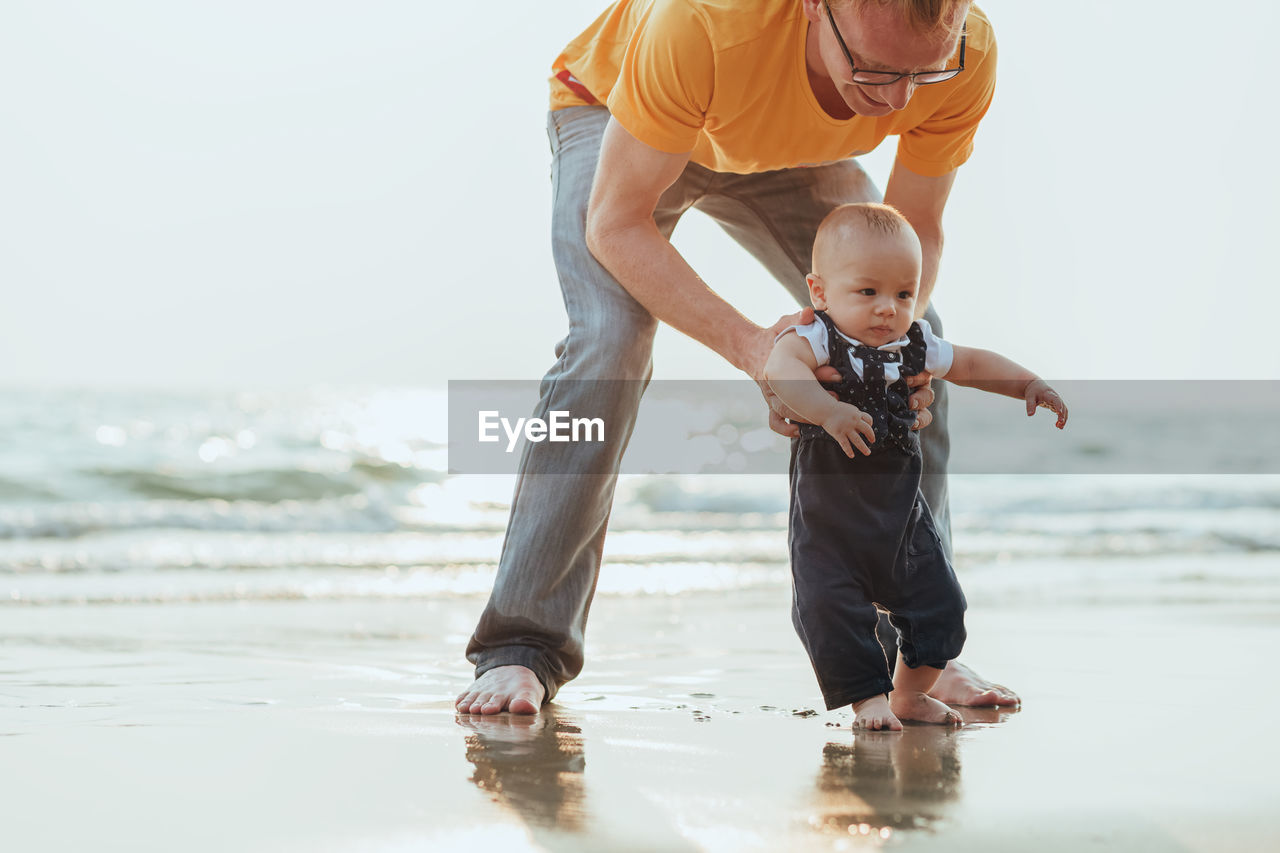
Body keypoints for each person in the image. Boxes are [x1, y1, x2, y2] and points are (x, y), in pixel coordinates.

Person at [457, 0, 1017, 716]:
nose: (898, 100)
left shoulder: (962, 52)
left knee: (911, 344)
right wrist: (763, 352)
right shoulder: (705, 21)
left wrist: (869, 355)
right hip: (619, 111)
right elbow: (616, 224)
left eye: (920, 74)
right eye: (876, 70)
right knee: (610, 340)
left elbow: (913, 233)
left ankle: (915, 652)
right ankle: (521, 646)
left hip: (777, 149)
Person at [765, 202, 1066, 730]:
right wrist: (828, 410)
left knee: (941, 606)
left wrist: (1026, 383)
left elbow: (970, 363)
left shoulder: (915, 344)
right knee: (831, 609)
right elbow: (780, 369)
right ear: (820, 292)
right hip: (829, 520)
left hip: (903, 515)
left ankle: (909, 694)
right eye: (868, 292)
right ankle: (868, 701)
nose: (888, 308)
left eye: (904, 294)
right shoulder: (813, 338)